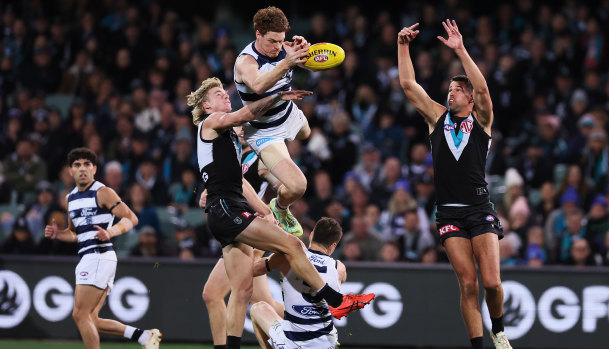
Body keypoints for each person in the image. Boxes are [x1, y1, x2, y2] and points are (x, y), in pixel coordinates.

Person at [187, 77, 374, 349]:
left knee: (243, 292)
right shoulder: (212, 122)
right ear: (206, 105)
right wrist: (278, 97)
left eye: (225, 93)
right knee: (292, 245)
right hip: (230, 212)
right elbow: (246, 114)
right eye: (219, 94)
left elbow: (242, 176)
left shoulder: (230, 138)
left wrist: (264, 206)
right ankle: (335, 301)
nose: (226, 96)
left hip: (226, 212)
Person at [398, 20, 511, 348]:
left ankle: (499, 329)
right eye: (450, 88)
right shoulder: (437, 118)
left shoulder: (482, 122)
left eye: (459, 89)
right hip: (448, 214)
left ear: (471, 100)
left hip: (479, 210)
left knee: (491, 283)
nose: (451, 91)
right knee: (468, 285)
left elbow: (484, 90)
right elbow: (408, 84)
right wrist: (403, 45)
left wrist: (460, 49)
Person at [44, 148, 161, 349]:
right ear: (70, 171)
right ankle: (144, 337)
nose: (82, 169)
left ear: (94, 169)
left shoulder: (103, 192)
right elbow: (76, 234)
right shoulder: (70, 198)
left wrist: (111, 232)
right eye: (77, 165)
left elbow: (131, 218)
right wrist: (60, 234)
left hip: (99, 256)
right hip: (91, 257)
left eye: (87, 164)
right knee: (92, 319)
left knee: (80, 314)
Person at [233, 6, 313, 236]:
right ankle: (279, 207)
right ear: (258, 33)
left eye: (281, 40)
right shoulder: (246, 62)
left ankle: (265, 164)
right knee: (298, 186)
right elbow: (258, 85)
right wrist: (288, 62)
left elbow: (309, 62)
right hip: (264, 131)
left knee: (306, 134)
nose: (278, 46)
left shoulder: (283, 48)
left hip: (287, 112)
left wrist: (306, 51)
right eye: (272, 41)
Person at [250, 217, 347, 349]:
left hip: (294, 343)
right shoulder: (339, 268)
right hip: (326, 344)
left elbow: (253, 270)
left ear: (312, 235)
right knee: (280, 307)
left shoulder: (288, 256)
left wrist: (260, 245)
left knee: (258, 307)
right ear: (333, 246)